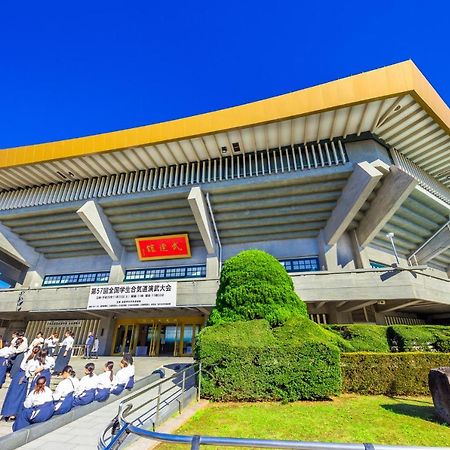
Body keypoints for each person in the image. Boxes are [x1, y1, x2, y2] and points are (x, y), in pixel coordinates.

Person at [1, 346, 40, 421]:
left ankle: (6, 412)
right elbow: (30, 371)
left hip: (18, 375)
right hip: (23, 377)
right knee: (19, 396)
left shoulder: (27, 356)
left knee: (12, 394)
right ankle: (13, 413)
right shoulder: (34, 361)